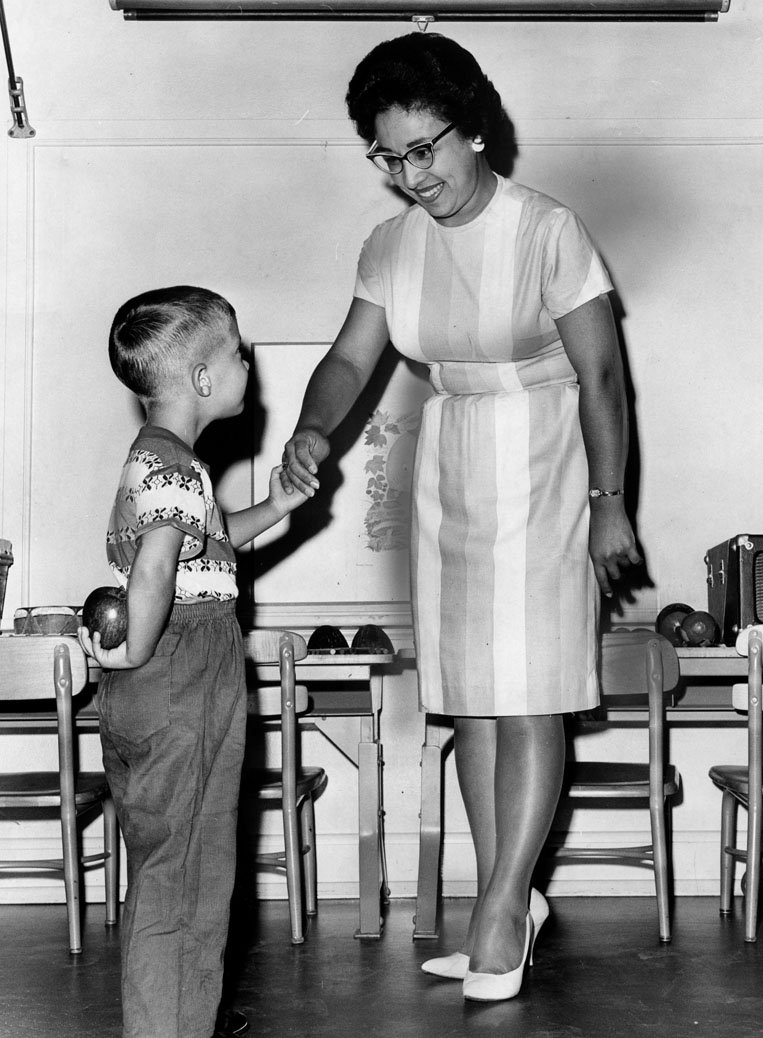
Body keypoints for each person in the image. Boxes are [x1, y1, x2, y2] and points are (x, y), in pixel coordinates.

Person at [281, 33, 641, 1003]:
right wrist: (314, 428)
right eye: (388, 157)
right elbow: (351, 360)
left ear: (472, 129)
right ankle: (506, 899)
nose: (410, 175)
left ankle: (493, 916)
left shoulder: (545, 229)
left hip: (546, 453)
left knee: (527, 691)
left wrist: (610, 504)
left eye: (425, 148)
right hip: (451, 462)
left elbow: (602, 374)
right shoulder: (390, 245)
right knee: (472, 697)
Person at [78, 286, 310, 1038]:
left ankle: (186, 1020)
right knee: (182, 874)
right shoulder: (175, 470)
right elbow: (153, 572)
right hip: (181, 665)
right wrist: (137, 649)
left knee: (195, 866)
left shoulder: (169, 463)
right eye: (239, 351)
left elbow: (199, 549)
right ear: (205, 379)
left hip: (182, 664)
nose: (250, 363)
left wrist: (274, 507)